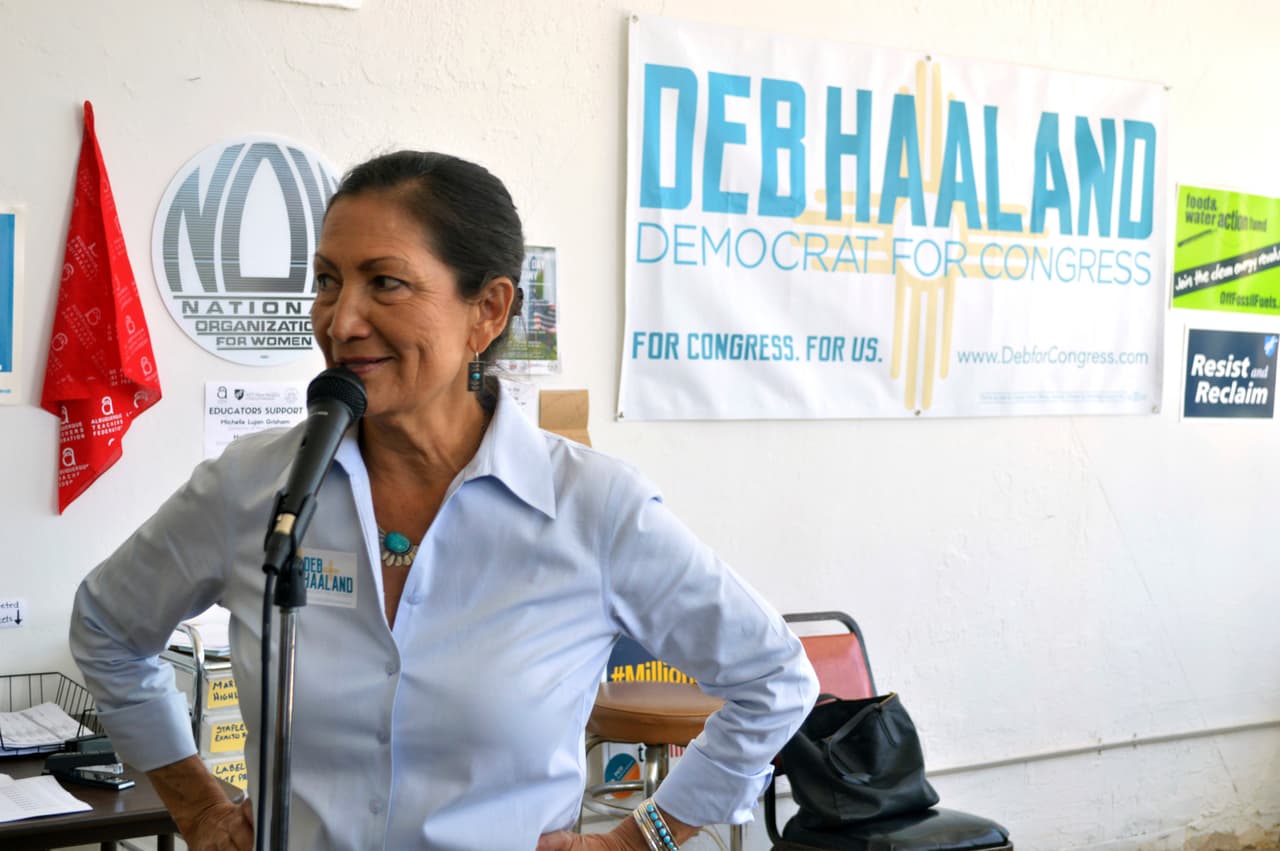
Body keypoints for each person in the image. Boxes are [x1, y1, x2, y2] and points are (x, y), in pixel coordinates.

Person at [70, 151, 818, 851]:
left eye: (384, 282)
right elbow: (106, 624)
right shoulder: (257, 486)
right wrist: (196, 802)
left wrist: (641, 836)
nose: (340, 320)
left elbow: (774, 680)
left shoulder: (592, 508)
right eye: (327, 280)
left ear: (488, 311)